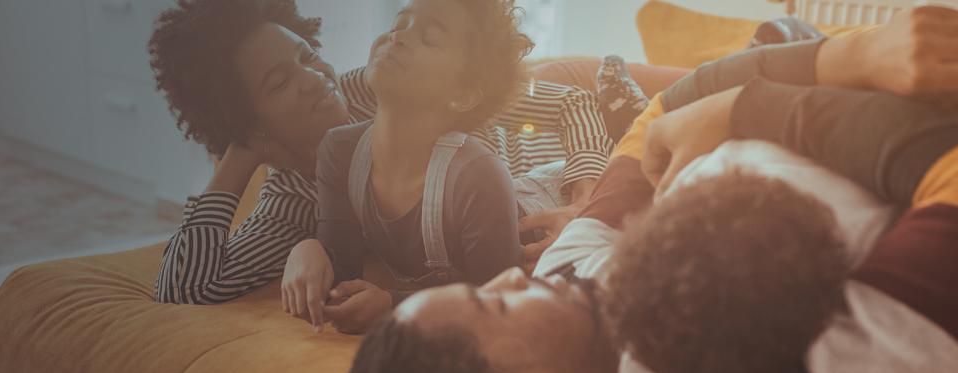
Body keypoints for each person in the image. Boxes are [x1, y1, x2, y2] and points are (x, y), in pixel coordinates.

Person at [346, 6, 958, 373]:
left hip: (891, 130)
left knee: (778, 42)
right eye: (495, 305)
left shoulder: (573, 278)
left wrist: (847, 59)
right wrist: (745, 111)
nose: (512, 275)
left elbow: (656, 121)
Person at [147, 0, 640, 306]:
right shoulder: (292, 206)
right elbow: (184, 285)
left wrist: (583, 202)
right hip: (498, 198)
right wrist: (240, 156)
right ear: (252, 126)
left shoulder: (371, 86)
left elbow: (568, 103)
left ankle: (624, 101)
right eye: (281, 82)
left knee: (621, 114)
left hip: (539, 158)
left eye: (306, 54)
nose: (316, 78)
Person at [289, 0, 540, 335]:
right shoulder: (338, 151)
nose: (398, 38)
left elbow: (501, 301)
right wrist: (306, 249)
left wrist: (394, 305)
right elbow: (343, 277)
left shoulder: (478, 175)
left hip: (549, 211)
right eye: (398, 25)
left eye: (430, 39)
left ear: (462, 95)